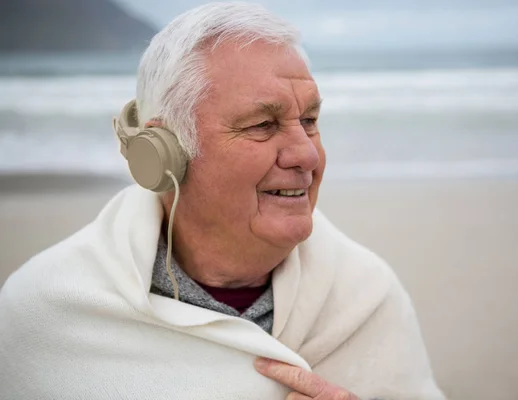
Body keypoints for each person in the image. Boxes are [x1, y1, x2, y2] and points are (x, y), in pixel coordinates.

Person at [0, 3, 445, 399]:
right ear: (164, 152)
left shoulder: (365, 294)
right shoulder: (45, 307)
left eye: (309, 120)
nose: (307, 154)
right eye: (262, 124)